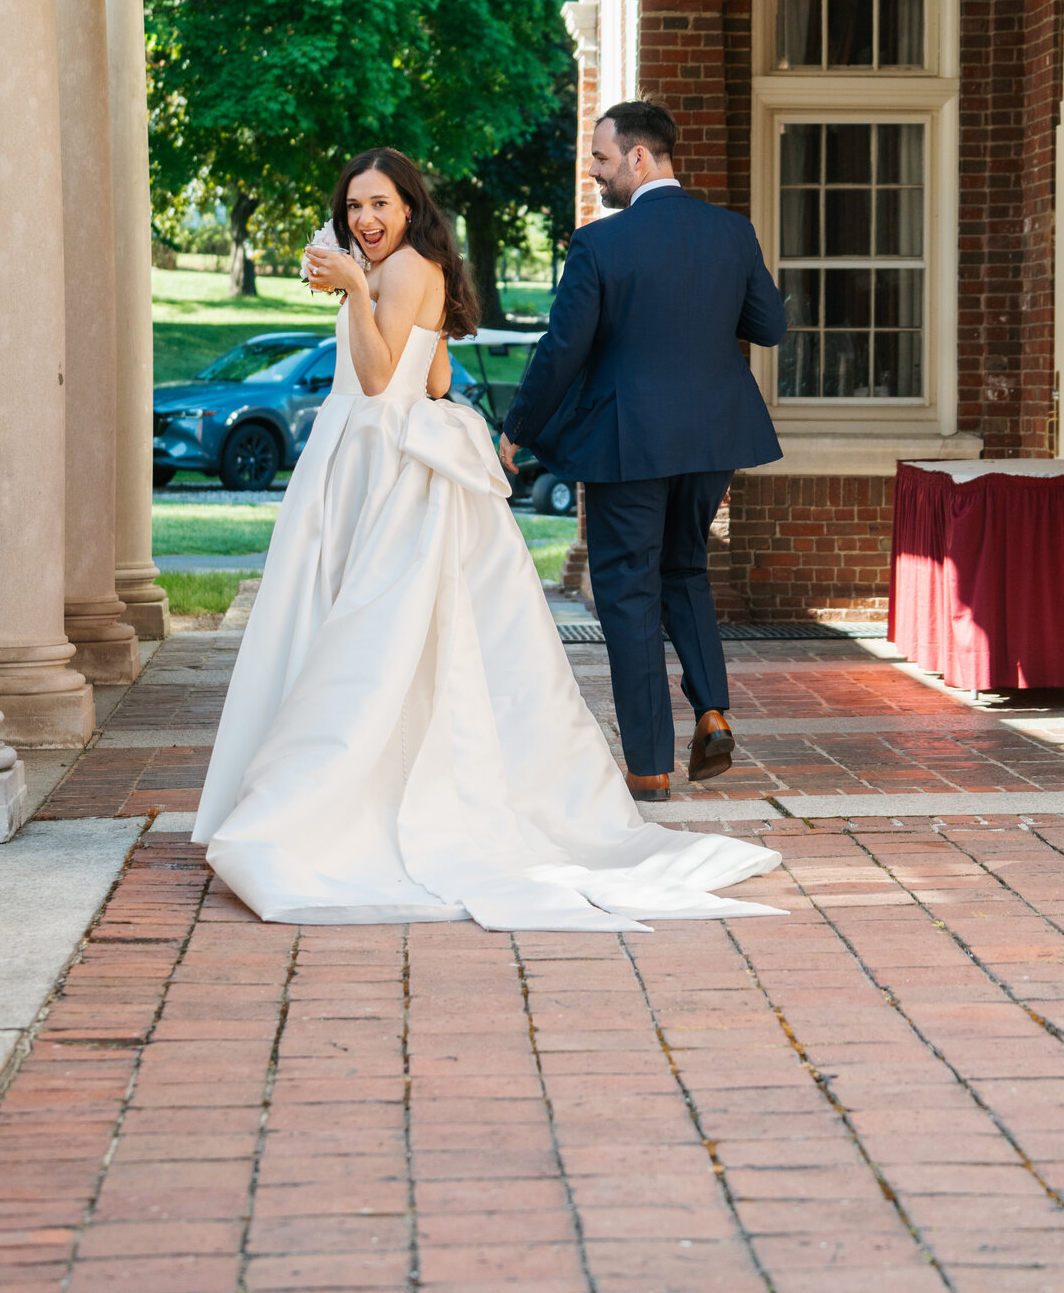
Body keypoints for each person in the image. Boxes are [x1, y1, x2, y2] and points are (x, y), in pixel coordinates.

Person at [193, 145, 784, 931]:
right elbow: (434, 380)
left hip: (377, 456)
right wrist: (368, 291)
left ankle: (350, 795)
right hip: (379, 454)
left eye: (380, 204)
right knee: (382, 629)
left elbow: (378, 380)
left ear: (409, 208)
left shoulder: (399, 270)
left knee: (368, 630)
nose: (364, 218)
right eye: (355, 206)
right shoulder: (414, 268)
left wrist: (357, 291)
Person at [500, 102, 787, 802]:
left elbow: (562, 350)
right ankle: (712, 710)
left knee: (628, 591)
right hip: (714, 437)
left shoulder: (600, 245)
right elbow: (769, 325)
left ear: (638, 157)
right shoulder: (732, 231)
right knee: (685, 568)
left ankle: (650, 765)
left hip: (628, 441)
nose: (594, 173)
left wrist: (518, 428)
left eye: (601, 159)